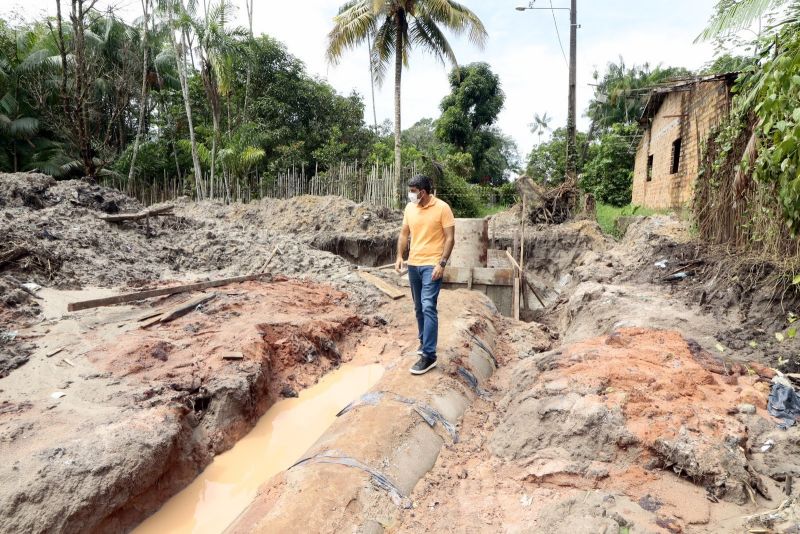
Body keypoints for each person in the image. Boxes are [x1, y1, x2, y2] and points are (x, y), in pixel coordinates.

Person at [395, 175, 455, 375]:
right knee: (419, 307)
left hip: (432, 266)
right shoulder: (410, 209)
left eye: (413, 190)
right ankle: (423, 343)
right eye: (410, 190)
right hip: (414, 264)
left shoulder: (442, 208)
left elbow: (450, 238)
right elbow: (404, 233)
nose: (410, 194)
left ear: (423, 191)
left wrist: (442, 263)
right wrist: (399, 256)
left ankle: (429, 355)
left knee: (429, 306)